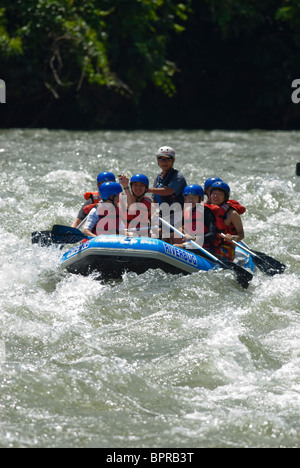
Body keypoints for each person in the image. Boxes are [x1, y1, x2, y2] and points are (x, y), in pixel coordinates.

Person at [147, 146, 187, 241]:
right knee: (151, 233)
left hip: (178, 215)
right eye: (161, 159)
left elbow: (169, 191)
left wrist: (148, 190)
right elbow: (154, 200)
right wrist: (153, 215)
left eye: (168, 159)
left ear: (173, 161)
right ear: (158, 161)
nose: (164, 162)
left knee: (169, 236)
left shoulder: (178, 176)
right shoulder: (158, 178)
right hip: (163, 215)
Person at [173, 184, 218, 252]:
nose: (190, 200)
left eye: (194, 197)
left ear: (201, 198)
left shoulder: (206, 212)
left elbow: (213, 234)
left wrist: (195, 238)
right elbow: (175, 225)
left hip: (205, 248)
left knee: (176, 247)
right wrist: (161, 227)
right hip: (192, 244)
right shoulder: (189, 211)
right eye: (188, 197)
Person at [208, 181, 245, 261]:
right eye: (213, 193)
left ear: (225, 197)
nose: (215, 196)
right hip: (209, 244)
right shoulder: (204, 208)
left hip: (224, 248)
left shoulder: (232, 214)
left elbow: (241, 234)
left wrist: (233, 237)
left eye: (220, 194)